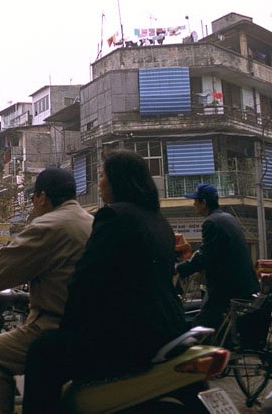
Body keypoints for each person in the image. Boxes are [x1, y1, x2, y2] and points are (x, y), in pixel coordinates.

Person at [23, 150, 188, 413]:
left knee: (42, 353)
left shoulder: (114, 216)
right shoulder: (158, 222)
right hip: (165, 328)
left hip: (127, 336)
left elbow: (87, 280)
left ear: (117, 180)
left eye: (101, 175)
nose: (99, 182)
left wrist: (69, 327)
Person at [0, 167, 93, 414]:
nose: (33, 204)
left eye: (33, 197)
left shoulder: (48, 225)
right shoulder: (91, 221)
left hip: (54, 327)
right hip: (89, 324)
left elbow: (5, 263)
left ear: (43, 197)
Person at [176, 183, 259, 329]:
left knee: (200, 327)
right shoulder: (227, 218)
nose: (193, 204)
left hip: (228, 287)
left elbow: (204, 256)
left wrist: (179, 268)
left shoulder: (211, 222)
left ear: (204, 202)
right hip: (243, 283)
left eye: (196, 201)